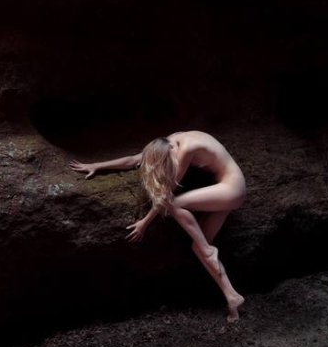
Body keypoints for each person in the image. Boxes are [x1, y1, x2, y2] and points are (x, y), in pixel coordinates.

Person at [69, 130, 246, 322]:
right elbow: (133, 160)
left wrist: (144, 222)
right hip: (220, 193)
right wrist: (96, 166)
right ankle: (232, 296)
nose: (169, 164)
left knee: (175, 204)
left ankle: (208, 249)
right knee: (197, 248)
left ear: (171, 148)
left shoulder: (187, 148)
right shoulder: (166, 143)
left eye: (169, 160)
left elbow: (166, 196)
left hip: (232, 188)